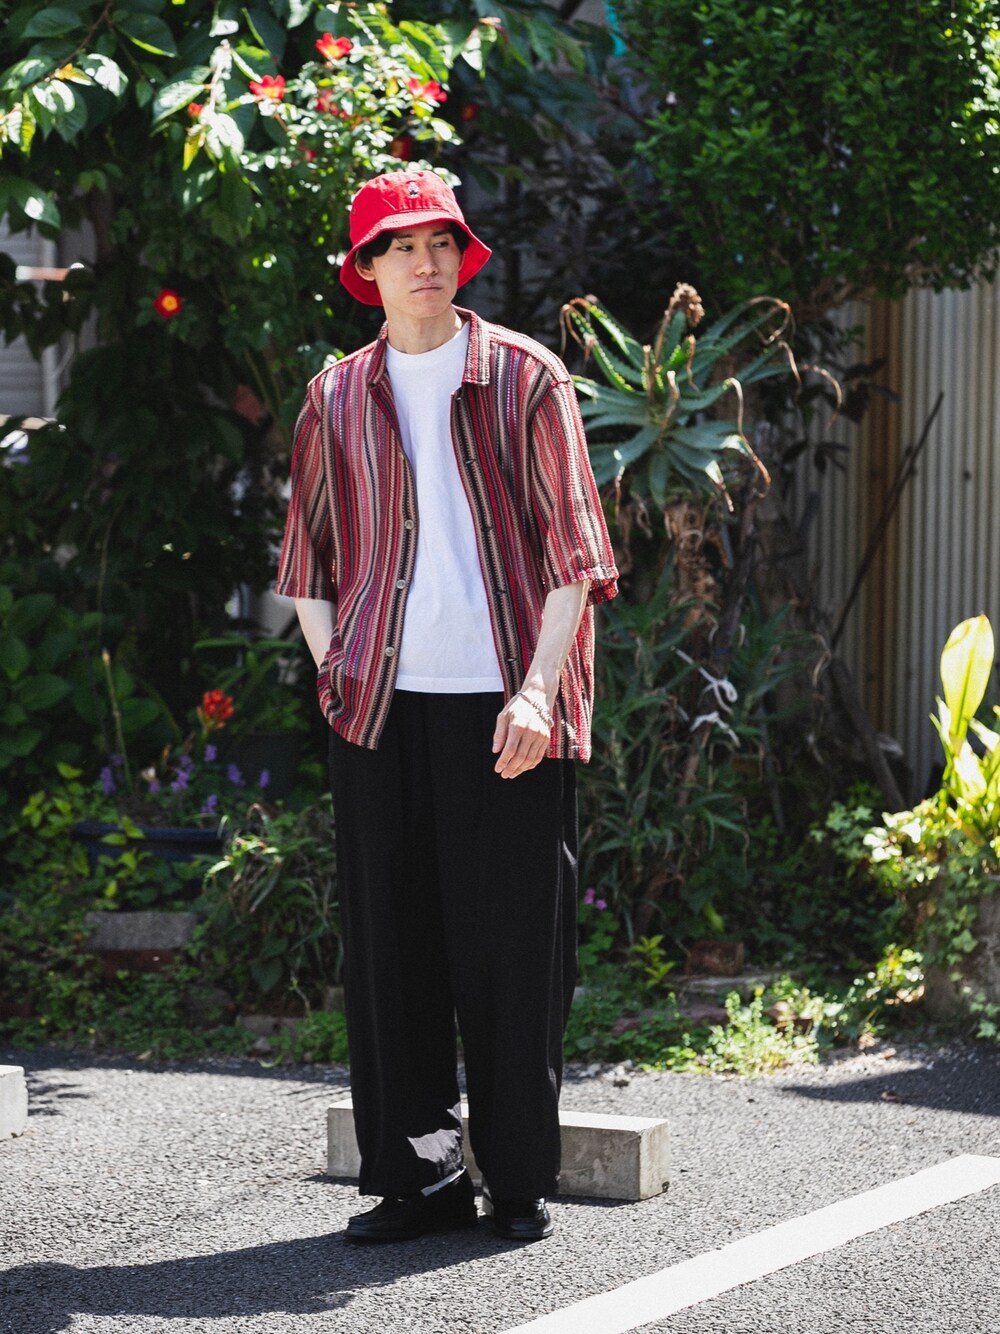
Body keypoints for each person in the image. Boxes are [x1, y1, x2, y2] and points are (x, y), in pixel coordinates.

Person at [275, 169, 618, 1244]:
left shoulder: (523, 376)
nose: (424, 262)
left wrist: (537, 690)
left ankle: (515, 1178)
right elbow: (306, 561)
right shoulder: (336, 396)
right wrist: (336, 672)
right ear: (366, 269)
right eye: (400, 246)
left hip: (507, 705)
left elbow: (576, 555)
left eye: (440, 243)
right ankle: (417, 1182)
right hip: (379, 709)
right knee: (393, 954)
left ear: (460, 257)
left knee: (514, 948)